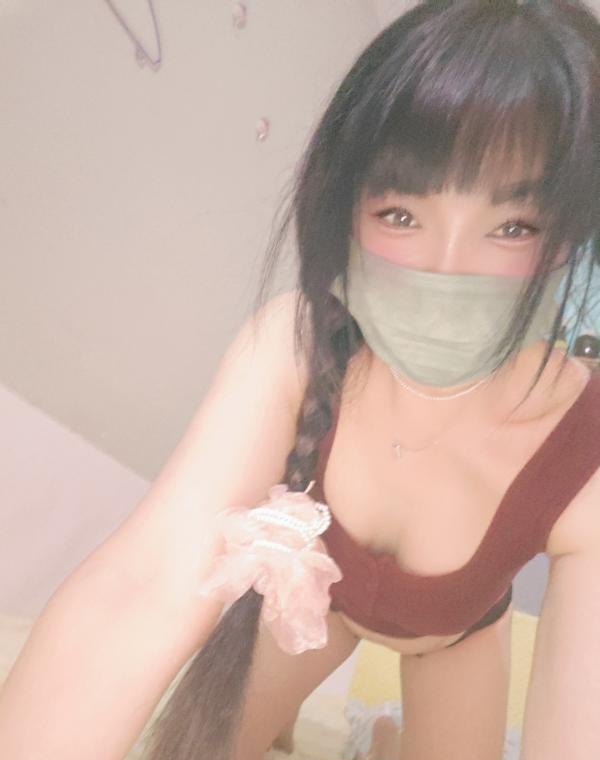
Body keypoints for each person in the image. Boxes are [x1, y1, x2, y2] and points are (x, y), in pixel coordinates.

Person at [1, 1, 600, 759]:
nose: (446, 268)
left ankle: (384, 735)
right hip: (324, 608)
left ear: (573, 234)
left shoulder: (583, 447)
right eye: (400, 214)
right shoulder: (293, 345)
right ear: (343, 207)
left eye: (514, 226)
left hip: (455, 638)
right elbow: (143, 587)